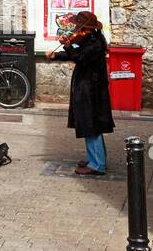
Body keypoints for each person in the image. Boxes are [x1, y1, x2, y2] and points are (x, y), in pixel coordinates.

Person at [47, 11, 114, 176]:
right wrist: (56, 55)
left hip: (91, 90)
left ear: (87, 29)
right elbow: (75, 55)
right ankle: (95, 159)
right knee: (88, 124)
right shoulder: (88, 40)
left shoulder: (95, 45)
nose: (77, 31)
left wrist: (68, 46)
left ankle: (97, 164)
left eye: (80, 28)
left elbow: (81, 58)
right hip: (87, 88)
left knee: (91, 126)